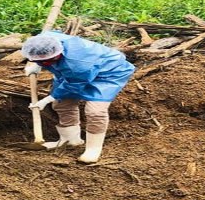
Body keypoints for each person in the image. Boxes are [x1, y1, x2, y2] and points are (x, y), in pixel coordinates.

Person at [21, 32, 135, 164]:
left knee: (95, 111)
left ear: (58, 53)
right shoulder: (45, 39)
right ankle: (70, 140)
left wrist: (47, 99)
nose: (45, 63)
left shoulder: (77, 63)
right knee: (61, 104)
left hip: (108, 73)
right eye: (40, 60)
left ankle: (93, 149)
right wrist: (36, 64)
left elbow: (73, 85)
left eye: (48, 61)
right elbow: (43, 53)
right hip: (73, 73)